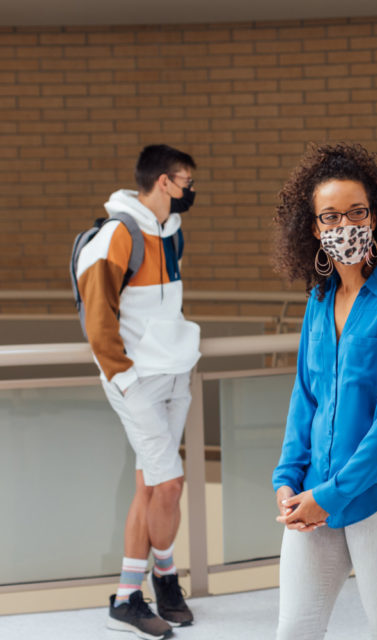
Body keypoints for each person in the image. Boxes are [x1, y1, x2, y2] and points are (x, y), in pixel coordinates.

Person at [271, 143, 377, 640]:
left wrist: (333, 494)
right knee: (294, 631)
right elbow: (305, 396)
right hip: (313, 494)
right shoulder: (319, 300)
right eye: (331, 216)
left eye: (356, 212)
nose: (345, 226)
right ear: (315, 229)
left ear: (375, 216)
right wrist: (287, 477)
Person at [76, 144, 200, 640]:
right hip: (135, 380)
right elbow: (97, 317)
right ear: (164, 182)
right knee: (171, 484)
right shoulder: (116, 236)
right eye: (186, 180)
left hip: (175, 374)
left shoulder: (171, 234)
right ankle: (133, 596)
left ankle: (157, 583)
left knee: (151, 486)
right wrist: (122, 378)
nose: (191, 189)